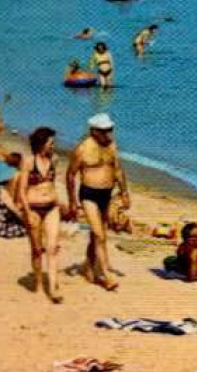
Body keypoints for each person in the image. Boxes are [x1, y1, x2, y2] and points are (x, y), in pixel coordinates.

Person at [67, 113, 129, 291]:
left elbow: (117, 170)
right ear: (94, 131)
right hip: (88, 194)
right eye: (104, 131)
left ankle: (88, 266)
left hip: (106, 194)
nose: (108, 134)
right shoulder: (82, 149)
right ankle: (105, 276)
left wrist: (125, 192)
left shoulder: (111, 146)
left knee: (97, 235)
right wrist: (72, 201)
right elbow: (71, 175)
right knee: (99, 234)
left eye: (110, 130)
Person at [12, 127, 66, 304]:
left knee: (52, 247)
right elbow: (21, 190)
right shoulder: (28, 162)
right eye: (51, 143)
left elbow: (53, 184)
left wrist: (61, 202)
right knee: (36, 250)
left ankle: (52, 289)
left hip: (51, 208)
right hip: (33, 208)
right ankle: (38, 284)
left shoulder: (55, 160)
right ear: (42, 144)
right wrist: (27, 212)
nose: (53, 146)